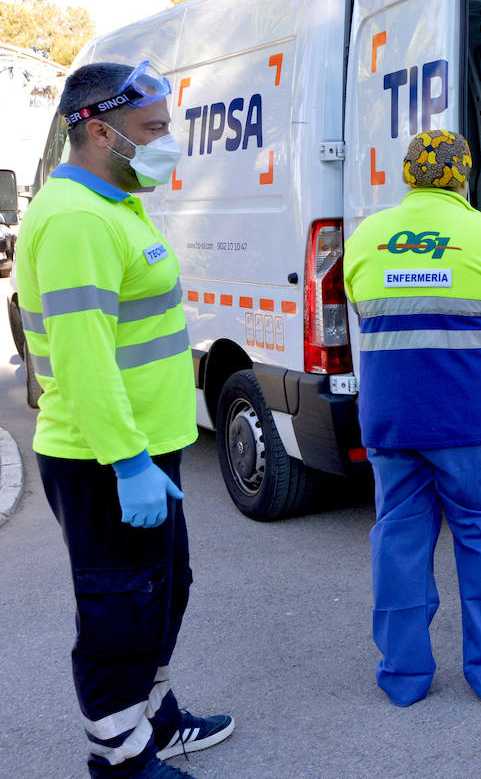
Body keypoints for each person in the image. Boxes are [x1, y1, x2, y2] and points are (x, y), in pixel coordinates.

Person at [15, 61, 234, 778]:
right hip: (105, 459)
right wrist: (128, 461)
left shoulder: (113, 200)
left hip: (146, 449)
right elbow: (82, 361)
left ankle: (155, 720)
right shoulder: (78, 219)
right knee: (119, 609)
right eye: (153, 129)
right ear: (100, 130)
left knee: (164, 591)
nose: (167, 142)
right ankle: (120, 756)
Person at [343, 129, 481, 705]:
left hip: (392, 418)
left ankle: (404, 674)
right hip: (470, 419)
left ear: (407, 175)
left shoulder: (367, 236)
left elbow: (362, 304)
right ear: (464, 176)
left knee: (399, 537)